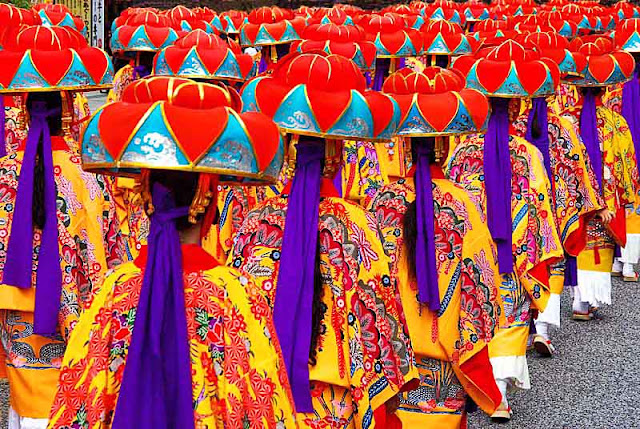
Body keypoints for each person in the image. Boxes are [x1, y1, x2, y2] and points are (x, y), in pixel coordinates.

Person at [48, 76, 297, 428]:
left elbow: (78, 402)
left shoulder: (112, 290)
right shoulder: (236, 296)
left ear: (145, 196)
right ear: (207, 204)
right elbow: (261, 408)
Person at [235, 52, 418, 428]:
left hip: (270, 396)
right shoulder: (357, 226)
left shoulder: (255, 221)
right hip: (334, 400)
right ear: (337, 153)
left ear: (289, 147)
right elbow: (379, 326)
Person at [366, 66, 503, 428]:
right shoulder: (461, 204)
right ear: (444, 144)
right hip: (444, 354)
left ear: (404, 145)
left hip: (395, 355)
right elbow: (481, 286)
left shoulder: (380, 201)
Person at [0, 24, 123, 428]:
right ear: (68, 106)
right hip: (71, 312)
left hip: (16, 313)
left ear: (21, 106)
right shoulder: (88, 177)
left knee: (24, 412)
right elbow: (106, 253)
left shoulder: (5, 174)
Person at [449, 40, 564, 421]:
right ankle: (498, 395)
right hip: (512, 253)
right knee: (509, 313)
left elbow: (450, 204)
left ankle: (473, 385)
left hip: (470, 251)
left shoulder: (462, 151)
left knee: (473, 312)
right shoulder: (528, 154)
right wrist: (536, 250)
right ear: (516, 106)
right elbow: (541, 206)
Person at [559, 36, 639, 320]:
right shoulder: (616, 122)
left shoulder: (563, 120)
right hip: (605, 198)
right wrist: (627, 195)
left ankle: (579, 301)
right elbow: (625, 162)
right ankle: (588, 301)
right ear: (606, 88)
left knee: (576, 245)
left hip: (573, 198)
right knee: (598, 247)